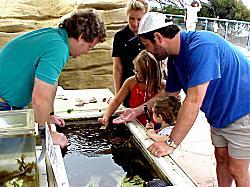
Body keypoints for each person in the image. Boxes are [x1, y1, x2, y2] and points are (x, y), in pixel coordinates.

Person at [113, 12, 250, 187]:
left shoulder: (202, 47)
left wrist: (171, 143)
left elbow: (193, 100)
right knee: (221, 158)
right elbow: (169, 94)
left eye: (147, 45)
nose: (146, 50)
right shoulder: (174, 59)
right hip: (218, 116)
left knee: (238, 169)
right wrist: (137, 110)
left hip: (243, 110)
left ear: (158, 37)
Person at [0, 9, 106, 148]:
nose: (87, 52)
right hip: (3, 106)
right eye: (90, 46)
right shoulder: (58, 48)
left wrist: (49, 115)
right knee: (10, 158)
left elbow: (52, 84)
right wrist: (48, 134)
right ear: (81, 37)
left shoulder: (53, 37)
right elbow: (40, 96)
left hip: (9, 102)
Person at [99, 50, 165, 127]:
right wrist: (107, 115)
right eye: (137, 72)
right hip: (135, 121)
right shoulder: (131, 82)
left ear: (152, 71)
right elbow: (117, 101)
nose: (139, 75)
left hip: (156, 124)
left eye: (143, 73)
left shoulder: (161, 85)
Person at [112, 0, 149, 107]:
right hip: (127, 85)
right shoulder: (119, 36)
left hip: (147, 85)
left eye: (139, 19)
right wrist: (117, 95)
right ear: (127, 16)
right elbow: (117, 67)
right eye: (131, 18)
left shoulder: (149, 35)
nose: (135, 23)